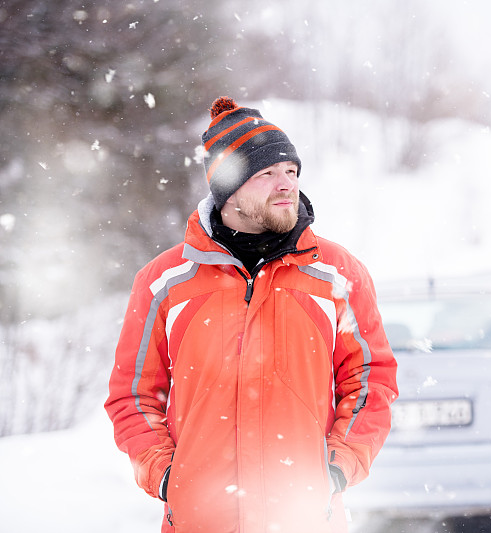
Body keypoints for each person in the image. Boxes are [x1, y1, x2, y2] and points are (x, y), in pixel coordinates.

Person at [105, 96, 398, 533]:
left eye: (291, 172)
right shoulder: (164, 282)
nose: (286, 185)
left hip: (303, 518)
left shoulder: (338, 275)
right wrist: (168, 474)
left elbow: (371, 378)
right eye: (267, 173)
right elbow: (133, 396)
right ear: (229, 188)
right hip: (200, 520)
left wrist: (337, 465)